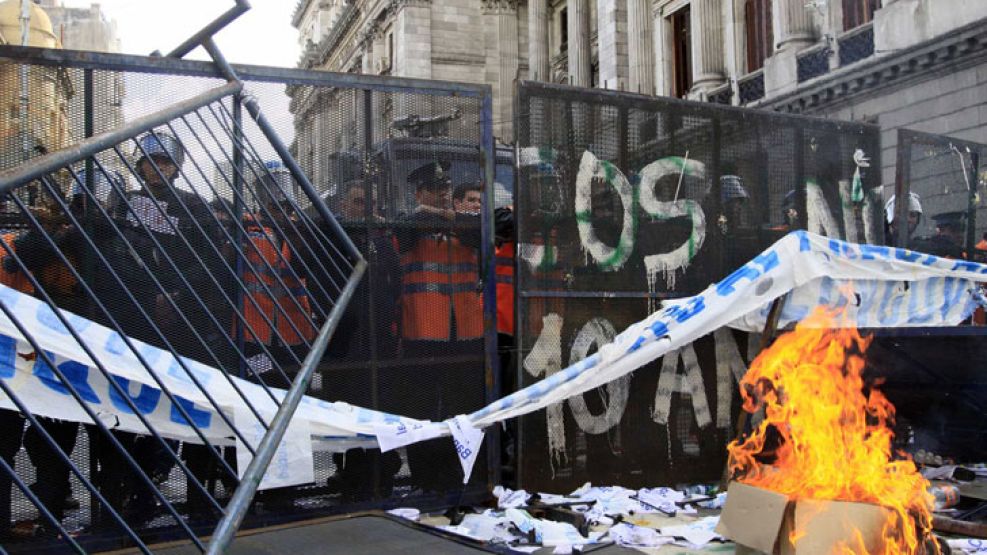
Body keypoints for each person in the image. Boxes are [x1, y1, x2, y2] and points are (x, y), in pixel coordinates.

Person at [394, 161, 484, 494]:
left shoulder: (464, 225)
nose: (443, 195)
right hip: (423, 332)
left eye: (446, 189)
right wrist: (425, 213)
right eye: (435, 189)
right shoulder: (408, 224)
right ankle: (424, 479)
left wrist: (447, 216)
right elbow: (403, 239)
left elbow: (481, 232)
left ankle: (460, 476)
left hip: (465, 331)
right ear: (419, 194)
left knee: (464, 406)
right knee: (423, 409)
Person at [324, 177, 402, 502]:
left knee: (380, 408)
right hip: (343, 341)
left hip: (377, 338)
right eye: (357, 203)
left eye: (369, 205)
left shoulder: (382, 242)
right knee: (344, 409)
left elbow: (395, 282)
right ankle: (349, 474)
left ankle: (382, 474)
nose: (364, 210)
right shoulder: (332, 237)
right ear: (343, 206)